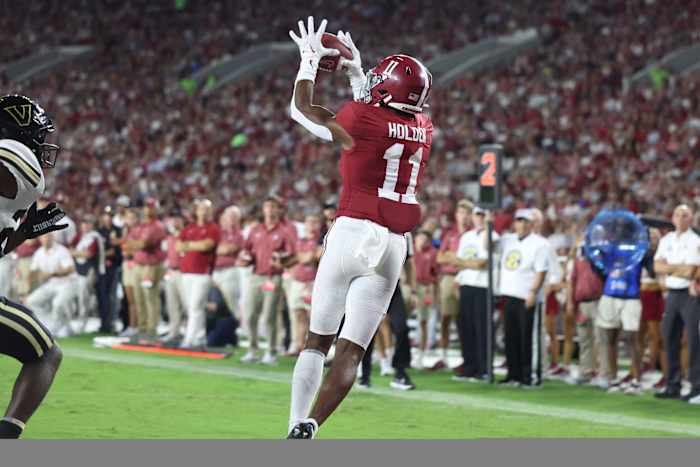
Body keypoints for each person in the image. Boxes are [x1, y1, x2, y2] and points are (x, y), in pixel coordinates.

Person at [286, 18, 433, 439]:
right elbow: (379, 118)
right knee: (352, 349)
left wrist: (309, 63)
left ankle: (294, 423)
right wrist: (357, 73)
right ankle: (314, 425)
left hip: (354, 232)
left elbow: (304, 110)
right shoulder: (423, 128)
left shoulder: (364, 120)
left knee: (318, 340)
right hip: (393, 246)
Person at [0, 94, 67, 438]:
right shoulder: (18, 154)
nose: (43, 145)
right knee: (46, 354)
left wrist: (24, 232)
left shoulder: (21, 165)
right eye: (39, 135)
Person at [238, 196, 296, 365]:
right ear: (263, 210)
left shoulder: (284, 232)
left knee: (269, 316)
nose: (270, 210)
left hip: (273, 277)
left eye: (273, 207)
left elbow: (293, 255)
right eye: (267, 206)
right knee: (249, 315)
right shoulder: (255, 230)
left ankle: (270, 351)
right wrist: (244, 260)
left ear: (278, 210)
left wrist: (283, 262)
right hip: (256, 276)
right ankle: (253, 350)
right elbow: (246, 252)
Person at [497, 209, 549, 387]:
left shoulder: (540, 244)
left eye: (526, 221)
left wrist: (533, 292)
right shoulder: (508, 240)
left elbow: (541, 270)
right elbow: (490, 241)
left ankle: (529, 376)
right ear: (515, 223)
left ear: (532, 224)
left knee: (527, 338)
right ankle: (513, 374)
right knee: (510, 337)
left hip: (526, 295)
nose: (522, 224)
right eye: (519, 220)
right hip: (509, 293)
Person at [654, 204, 700, 401]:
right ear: (672, 218)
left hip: (690, 294)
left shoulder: (695, 240)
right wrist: (677, 268)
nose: (681, 218)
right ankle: (673, 384)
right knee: (669, 337)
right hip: (672, 293)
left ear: (691, 219)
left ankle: (696, 386)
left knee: (693, 341)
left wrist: (669, 268)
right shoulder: (666, 240)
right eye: (678, 215)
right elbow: (657, 266)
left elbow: (691, 271)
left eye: (685, 215)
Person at [450, 207, 498, 381]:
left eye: (483, 215)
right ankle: (469, 367)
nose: (480, 218)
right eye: (478, 214)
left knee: (482, 328)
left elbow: (483, 262)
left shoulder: (493, 234)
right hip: (467, 284)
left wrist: (466, 263)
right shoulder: (467, 236)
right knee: (466, 328)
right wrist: (468, 264)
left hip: (483, 285)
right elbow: (457, 262)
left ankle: (484, 368)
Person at [433, 199, 472, 371]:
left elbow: (472, 260)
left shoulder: (473, 235)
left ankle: (467, 358)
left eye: (466, 213)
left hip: (467, 276)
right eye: (461, 212)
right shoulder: (450, 234)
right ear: (456, 215)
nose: (463, 216)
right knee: (445, 318)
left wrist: (453, 257)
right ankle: (443, 357)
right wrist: (458, 259)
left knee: (463, 320)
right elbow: (440, 257)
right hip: (449, 277)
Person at [176, 199, 220, 349]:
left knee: (195, 306)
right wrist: (195, 246)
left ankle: (188, 339)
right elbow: (177, 245)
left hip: (203, 273)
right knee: (193, 307)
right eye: (201, 208)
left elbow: (207, 245)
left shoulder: (213, 228)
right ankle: (200, 337)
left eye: (207, 208)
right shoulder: (190, 228)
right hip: (187, 272)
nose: (204, 211)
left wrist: (188, 245)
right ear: (196, 211)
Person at [125, 198, 166, 340]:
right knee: (139, 298)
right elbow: (127, 244)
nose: (148, 210)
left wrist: (136, 244)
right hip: (138, 264)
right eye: (146, 207)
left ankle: (152, 330)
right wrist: (136, 244)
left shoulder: (158, 226)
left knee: (150, 298)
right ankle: (142, 328)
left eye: (151, 207)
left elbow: (143, 244)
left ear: (156, 209)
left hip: (151, 266)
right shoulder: (141, 226)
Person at [287, 214, 322, 355]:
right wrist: (307, 256)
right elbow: (301, 258)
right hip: (298, 281)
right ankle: (299, 345)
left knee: (313, 316)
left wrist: (305, 257)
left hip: (313, 282)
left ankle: (312, 346)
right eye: (309, 222)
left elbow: (308, 258)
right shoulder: (300, 241)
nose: (312, 225)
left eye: (314, 222)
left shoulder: (322, 240)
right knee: (298, 313)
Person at [638, 228, 666, 389]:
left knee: (657, 336)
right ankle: (640, 367)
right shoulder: (642, 255)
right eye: (650, 237)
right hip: (640, 297)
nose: (652, 240)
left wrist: (651, 285)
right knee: (639, 335)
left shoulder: (662, 256)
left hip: (655, 299)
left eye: (655, 237)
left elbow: (662, 283)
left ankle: (653, 364)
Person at [70, 214, 104, 333]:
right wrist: (78, 252)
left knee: (84, 298)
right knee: (78, 297)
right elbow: (70, 250)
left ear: (92, 225)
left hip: (88, 271)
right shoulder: (79, 236)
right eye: (84, 223)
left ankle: (83, 323)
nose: (85, 226)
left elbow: (88, 254)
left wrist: (76, 252)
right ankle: (77, 321)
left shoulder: (94, 237)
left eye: (88, 223)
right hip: (77, 270)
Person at [212, 205, 245, 327]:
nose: (231, 219)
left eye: (234, 216)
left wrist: (219, 248)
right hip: (214, 271)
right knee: (212, 301)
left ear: (238, 219)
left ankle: (241, 325)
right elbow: (214, 248)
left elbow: (230, 249)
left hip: (230, 271)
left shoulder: (239, 234)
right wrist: (220, 248)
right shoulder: (218, 232)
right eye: (229, 216)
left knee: (233, 300)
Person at [412, 230, 438, 369]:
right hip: (408, 286)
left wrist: (434, 292)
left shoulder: (432, 253)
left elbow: (435, 273)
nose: (422, 240)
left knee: (423, 321)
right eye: (420, 237)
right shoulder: (409, 251)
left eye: (425, 238)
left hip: (424, 287)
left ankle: (420, 355)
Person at [96, 206, 123, 333]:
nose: (108, 218)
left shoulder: (118, 231)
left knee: (112, 297)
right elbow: (96, 251)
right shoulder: (99, 232)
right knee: (102, 296)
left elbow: (117, 251)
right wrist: (106, 253)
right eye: (106, 215)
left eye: (110, 216)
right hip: (101, 268)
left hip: (114, 267)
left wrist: (107, 253)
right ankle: (103, 323)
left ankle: (111, 323)